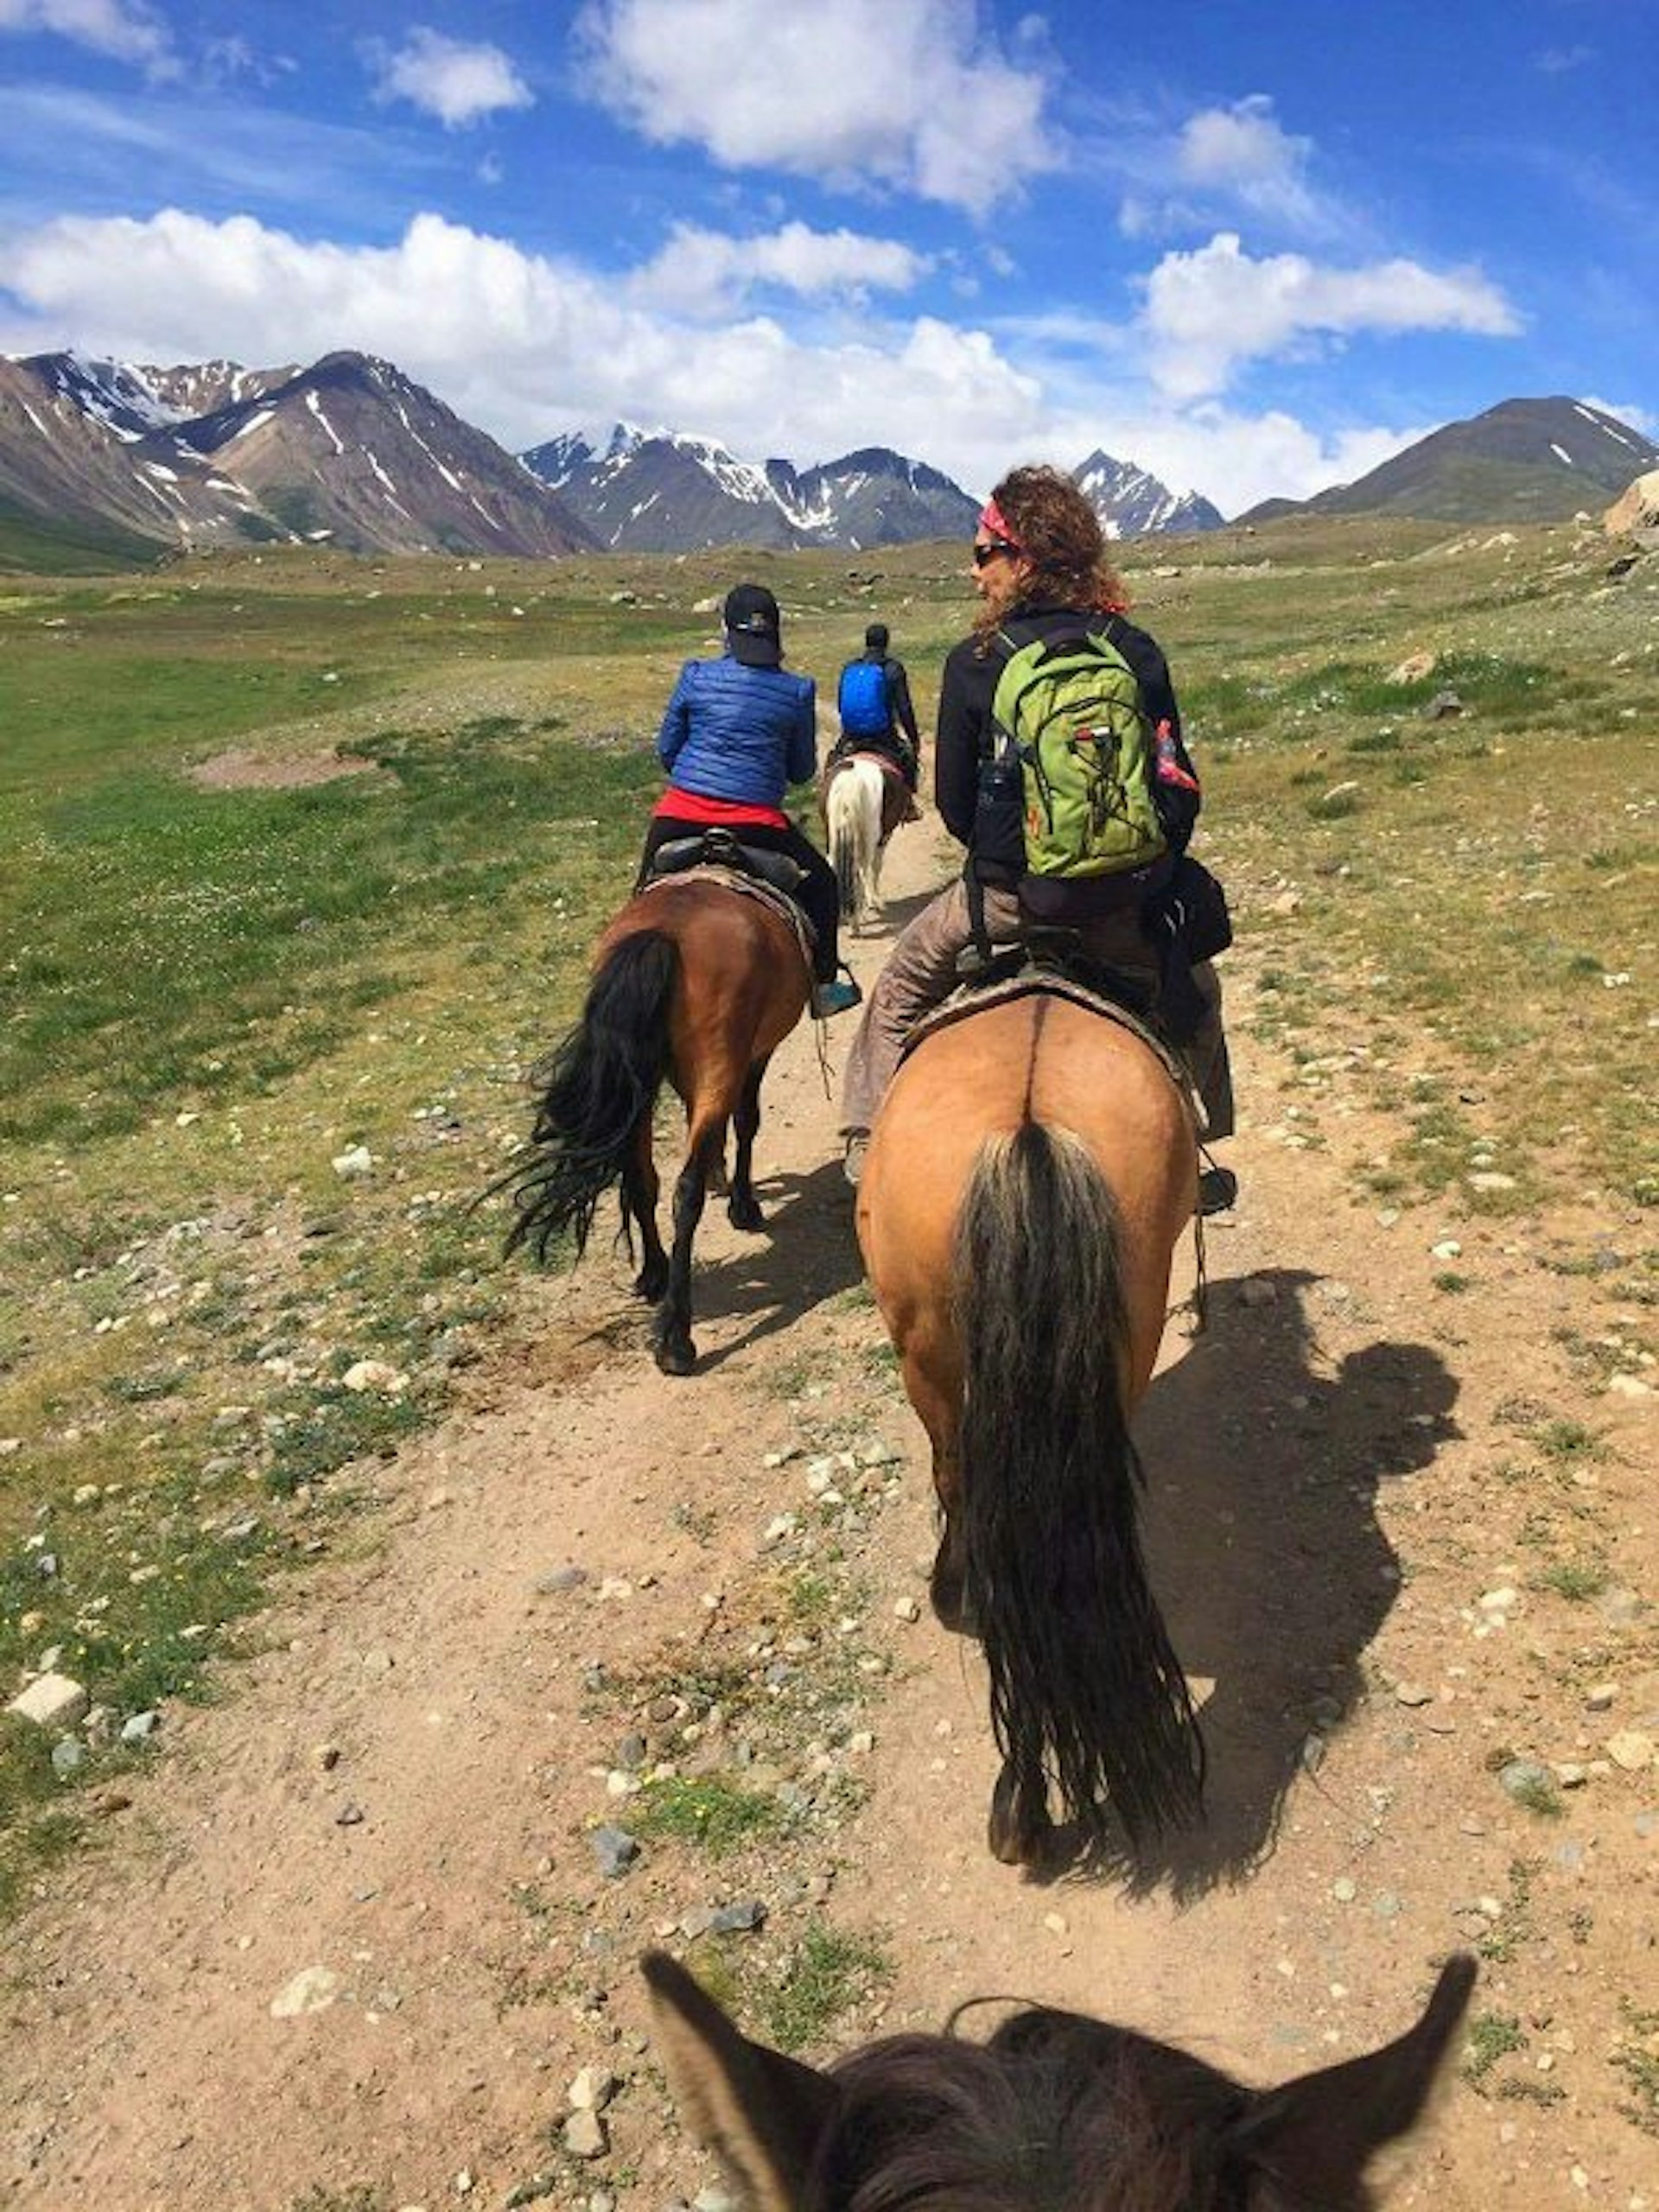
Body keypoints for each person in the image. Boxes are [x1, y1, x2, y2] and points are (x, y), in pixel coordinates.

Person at [838, 465, 1235, 1201]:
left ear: (1023, 557)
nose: (974, 570)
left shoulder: (976, 660)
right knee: (1201, 994)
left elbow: (956, 807)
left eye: (984, 551)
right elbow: (1178, 785)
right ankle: (1200, 1149)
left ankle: (868, 1152)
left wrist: (1010, 859)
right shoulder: (1135, 648)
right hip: (1123, 912)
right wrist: (1138, 870)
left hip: (1009, 907)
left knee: (894, 993)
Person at [639, 582, 861, 1019]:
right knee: (823, 885)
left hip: (681, 815)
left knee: (643, 891)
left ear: (726, 630)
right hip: (758, 824)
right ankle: (824, 985)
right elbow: (800, 771)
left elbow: (667, 750)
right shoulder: (796, 690)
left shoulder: (695, 675)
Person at [827, 621, 923, 799]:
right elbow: (904, 709)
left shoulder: (850, 668)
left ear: (866, 642)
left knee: (833, 761)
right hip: (883, 735)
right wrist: (914, 740)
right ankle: (909, 804)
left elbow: (841, 704)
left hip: (852, 735)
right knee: (907, 761)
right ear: (886, 643)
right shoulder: (893, 668)